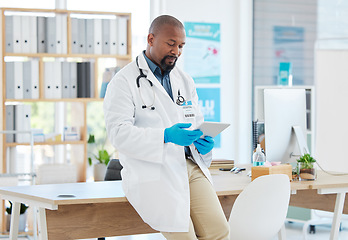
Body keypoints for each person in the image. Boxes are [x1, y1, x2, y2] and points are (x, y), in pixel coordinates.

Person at [103, 15, 230, 240]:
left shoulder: (185, 80)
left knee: (219, 231)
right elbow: (119, 134)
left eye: (181, 46)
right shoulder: (123, 82)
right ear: (151, 39)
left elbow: (195, 121)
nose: (176, 51)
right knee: (185, 237)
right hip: (153, 170)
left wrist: (203, 144)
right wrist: (165, 136)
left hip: (188, 165)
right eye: (170, 44)